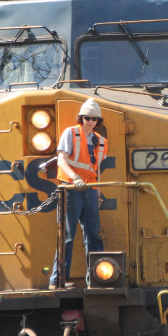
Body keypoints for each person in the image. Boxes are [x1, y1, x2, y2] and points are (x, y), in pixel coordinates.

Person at [50, 98, 108, 289]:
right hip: (71, 189)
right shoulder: (70, 133)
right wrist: (75, 178)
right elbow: (61, 160)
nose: (90, 121)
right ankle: (58, 280)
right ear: (81, 118)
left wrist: (97, 192)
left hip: (90, 191)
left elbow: (95, 169)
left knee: (93, 235)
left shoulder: (101, 142)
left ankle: (97, 278)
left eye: (93, 119)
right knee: (67, 234)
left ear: (98, 121)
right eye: (86, 118)